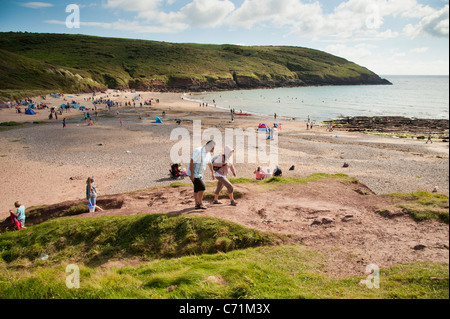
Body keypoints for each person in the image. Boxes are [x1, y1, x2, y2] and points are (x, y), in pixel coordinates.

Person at [188, 140, 216, 210]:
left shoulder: (208, 153)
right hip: (194, 173)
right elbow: (192, 161)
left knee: (197, 189)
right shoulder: (198, 151)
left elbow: (210, 163)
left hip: (200, 174)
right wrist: (192, 175)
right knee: (202, 187)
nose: (213, 149)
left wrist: (212, 173)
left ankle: (196, 204)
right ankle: (200, 203)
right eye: (213, 147)